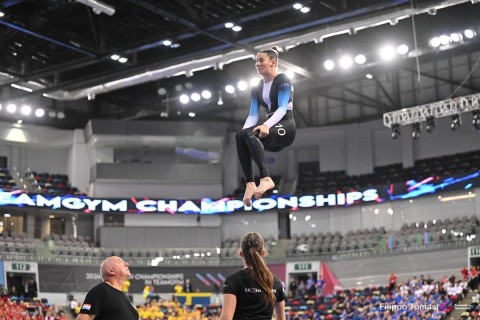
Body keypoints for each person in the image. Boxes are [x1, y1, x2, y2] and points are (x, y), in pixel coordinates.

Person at [236, 46, 296, 206]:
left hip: (286, 128)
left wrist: (267, 125)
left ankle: (266, 178)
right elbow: (253, 115)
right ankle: (250, 184)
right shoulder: (256, 87)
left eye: (261, 60)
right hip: (270, 132)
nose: (257, 64)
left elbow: (282, 108)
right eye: (256, 61)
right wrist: (243, 134)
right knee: (240, 135)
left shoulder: (283, 80)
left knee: (248, 134)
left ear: (273, 62)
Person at [219, 232, 286, 320]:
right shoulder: (276, 282)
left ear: (241, 253)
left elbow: (226, 318)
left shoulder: (233, 281)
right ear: (263, 252)